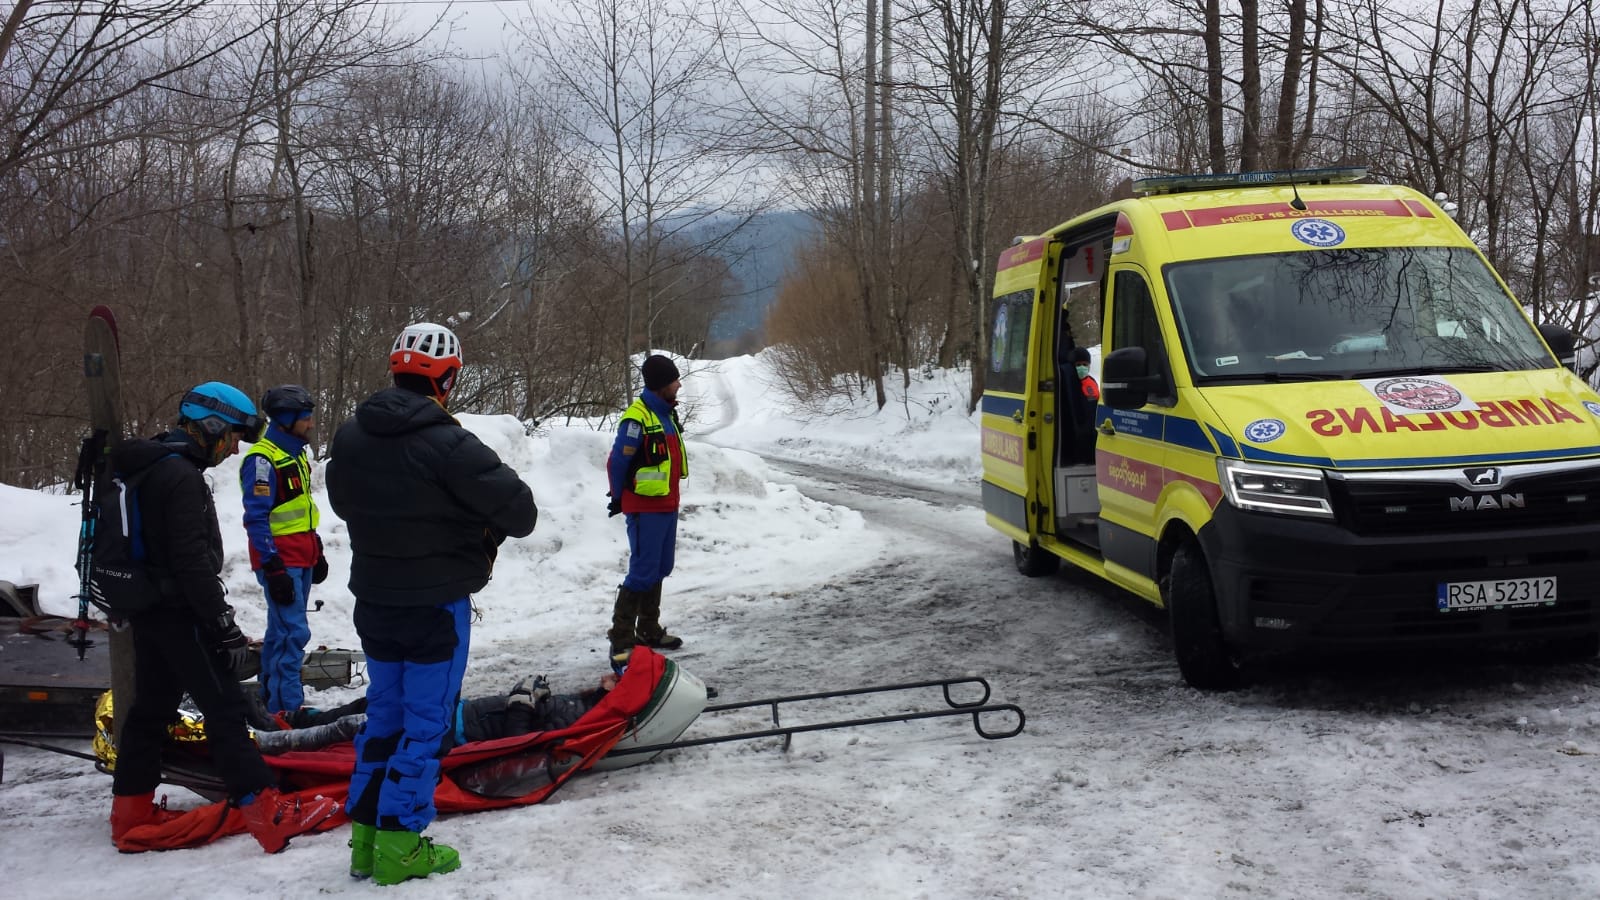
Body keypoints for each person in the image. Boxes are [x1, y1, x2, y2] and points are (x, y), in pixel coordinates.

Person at [327, 322, 537, 886]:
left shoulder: (349, 437)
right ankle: (401, 845)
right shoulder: (451, 443)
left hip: (374, 601)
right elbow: (521, 513)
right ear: (446, 379)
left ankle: (366, 841)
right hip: (434, 608)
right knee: (425, 726)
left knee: (385, 718)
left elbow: (346, 504)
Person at [108, 382, 339, 854]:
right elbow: (192, 562)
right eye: (230, 436)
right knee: (226, 710)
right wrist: (222, 626)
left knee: (151, 710)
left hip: (149, 608)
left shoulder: (149, 465)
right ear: (210, 426)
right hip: (181, 612)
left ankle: (129, 812)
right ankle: (268, 812)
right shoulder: (181, 478)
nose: (233, 447)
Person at [255, 673, 619, 755]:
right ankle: (301, 719)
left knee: (364, 725)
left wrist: (523, 699)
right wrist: (531, 689)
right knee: (374, 704)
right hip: (454, 712)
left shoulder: (576, 719)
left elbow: (517, 742)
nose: (610, 675)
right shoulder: (577, 700)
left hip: (453, 733)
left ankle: (278, 740)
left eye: (618, 679)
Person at [240, 384, 325, 719]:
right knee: (293, 633)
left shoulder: (295, 454)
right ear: (287, 419)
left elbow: (300, 508)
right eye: (305, 417)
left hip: (301, 555)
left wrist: (316, 550)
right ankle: (288, 711)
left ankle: (270, 705)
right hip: (281, 559)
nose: (311, 423)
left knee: (279, 632)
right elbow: (257, 518)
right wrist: (272, 565)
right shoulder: (262, 459)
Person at [605, 354, 689, 671]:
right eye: (674, 380)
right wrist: (618, 497)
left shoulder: (666, 414)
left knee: (661, 567)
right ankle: (622, 638)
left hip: (666, 504)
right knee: (642, 570)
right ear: (660, 384)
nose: (679, 385)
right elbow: (617, 462)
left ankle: (649, 629)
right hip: (644, 508)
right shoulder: (636, 418)